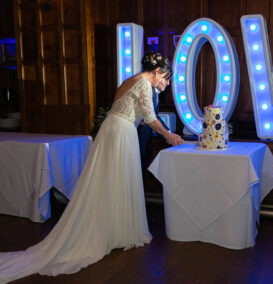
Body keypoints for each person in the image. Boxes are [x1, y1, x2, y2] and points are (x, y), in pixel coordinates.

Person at [0, 51, 184, 283]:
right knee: (117, 181)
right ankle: (116, 232)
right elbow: (149, 118)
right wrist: (169, 135)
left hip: (112, 129)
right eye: (165, 78)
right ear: (156, 71)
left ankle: (114, 230)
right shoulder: (145, 84)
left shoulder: (131, 80)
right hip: (121, 132)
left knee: (110, 181)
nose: (165, 84)